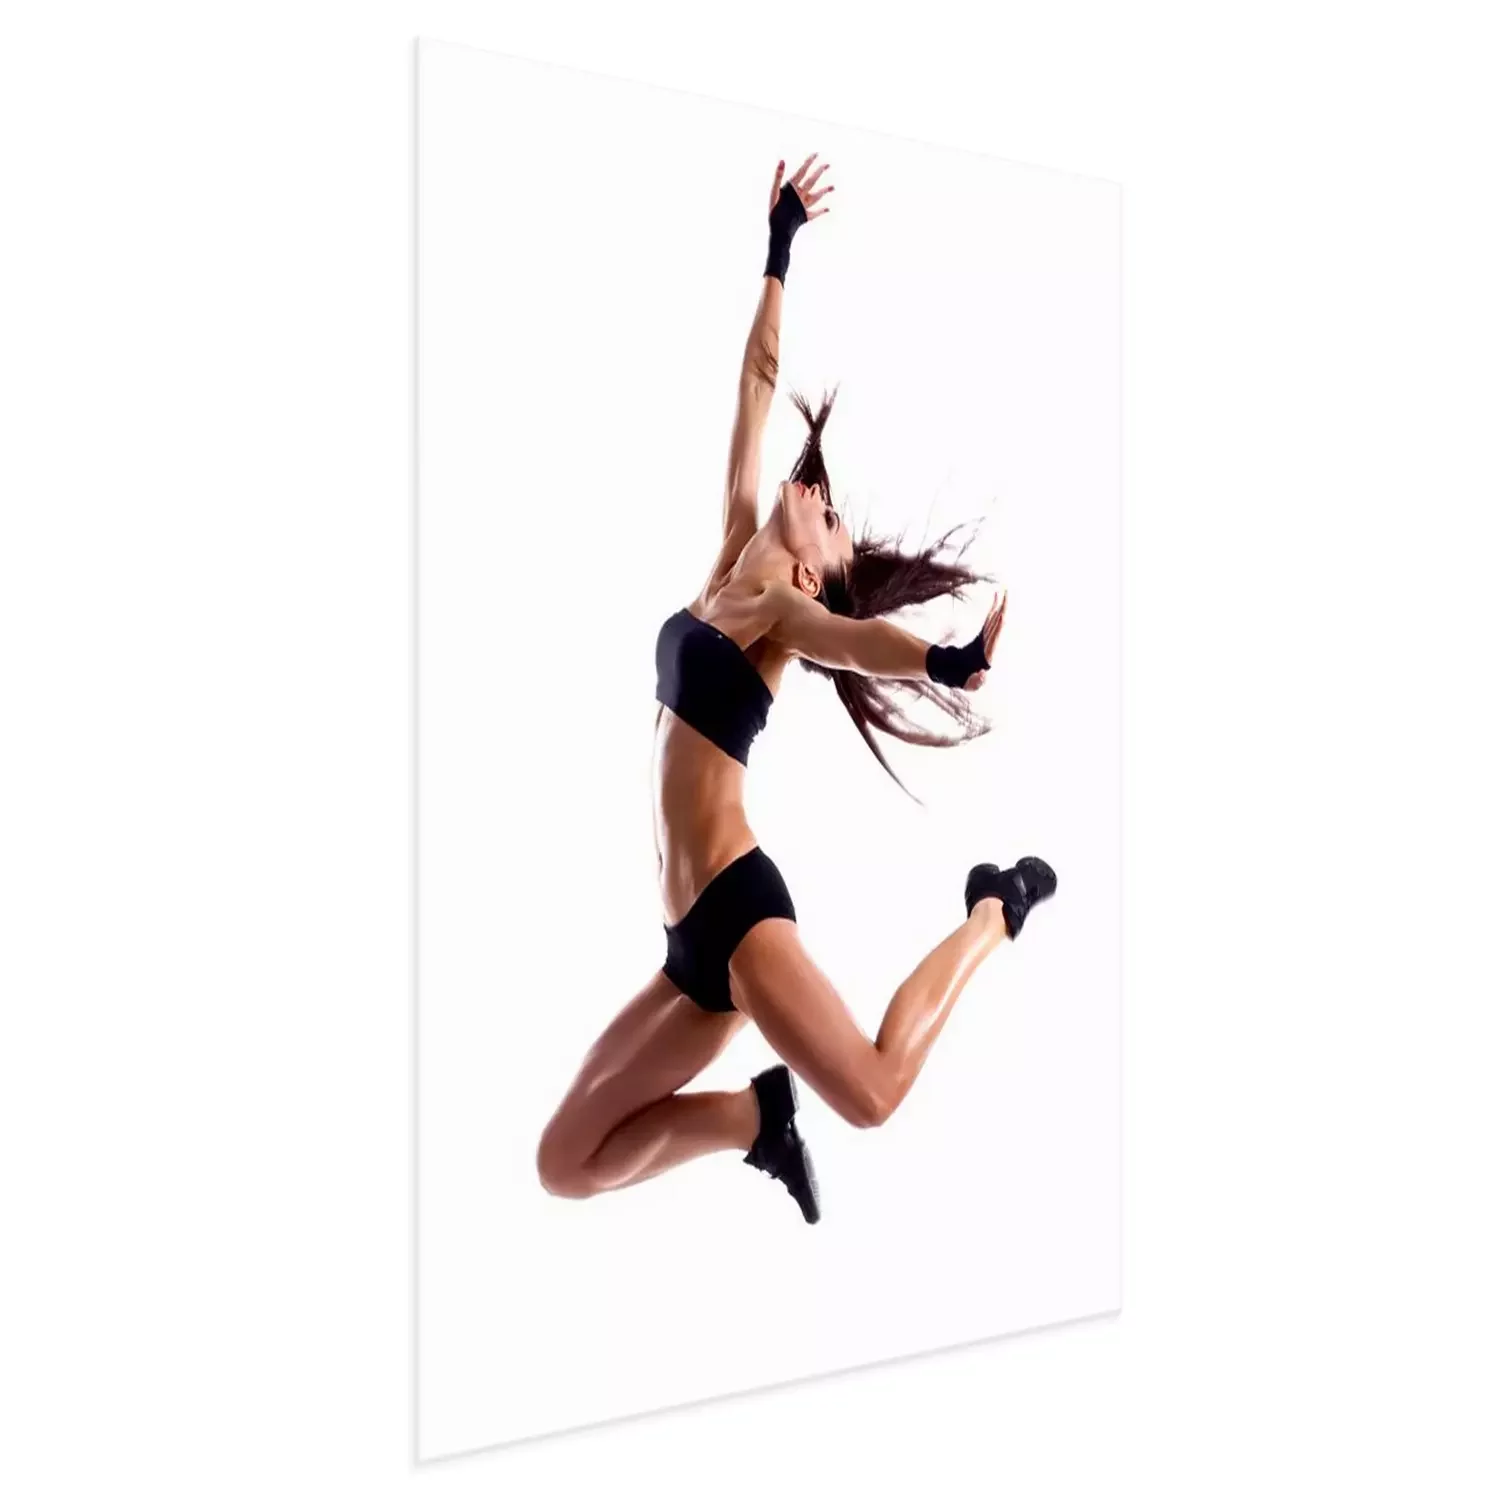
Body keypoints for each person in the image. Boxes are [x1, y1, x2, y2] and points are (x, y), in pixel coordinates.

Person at [536, 153, 1056, 1225]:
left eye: (833, 521)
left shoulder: (785, 613)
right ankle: (754, 1122)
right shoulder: (732, 556)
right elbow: (756, 387)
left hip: (737, 914)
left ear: (815, 574)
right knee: (567, 1162)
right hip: (688, 946)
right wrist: (779, 247)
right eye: (826, 500)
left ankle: (994, 910)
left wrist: (945, 662)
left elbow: (858, 645)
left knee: (873, 1093)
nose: (822, 499)